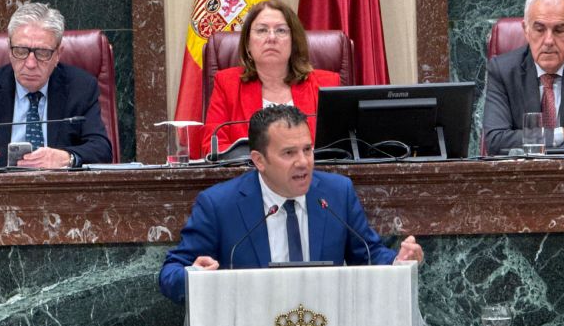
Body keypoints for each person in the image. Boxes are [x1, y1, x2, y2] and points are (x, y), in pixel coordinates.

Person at [159, 105, 424, 304]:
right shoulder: (219, 205)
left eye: (307, 150)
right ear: (259, 160)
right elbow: (170, 273)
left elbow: (368, 255)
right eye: (289, 153)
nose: (303, 162)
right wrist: (194, 275)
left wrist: (398, 263)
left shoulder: (336, 193)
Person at [0, 2, 112, 168]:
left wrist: (66, 158)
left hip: (59, 183)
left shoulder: (80, 87)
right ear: (9, 49)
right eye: (21, 51)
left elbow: (102, 149)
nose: (31, 64)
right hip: (0, 184)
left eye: (42, 53)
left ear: (58, 54)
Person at [200, 0, 341, 157]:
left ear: (293, 42)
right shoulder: (227, 84)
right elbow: (213, 147)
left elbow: (340, 147)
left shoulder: (327, 84)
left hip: (310, 171)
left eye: (281, 30)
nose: (271, 37)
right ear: (247, 44)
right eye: (262, 30)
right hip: (251, 171)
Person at [483, 0, 564, 155]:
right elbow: (496, 141)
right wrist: (560, 134)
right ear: (526, 30)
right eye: (539, 29)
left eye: (559, 30)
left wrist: (532, 143)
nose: (548, 41)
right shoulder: (503, 71)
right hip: (521, 172)